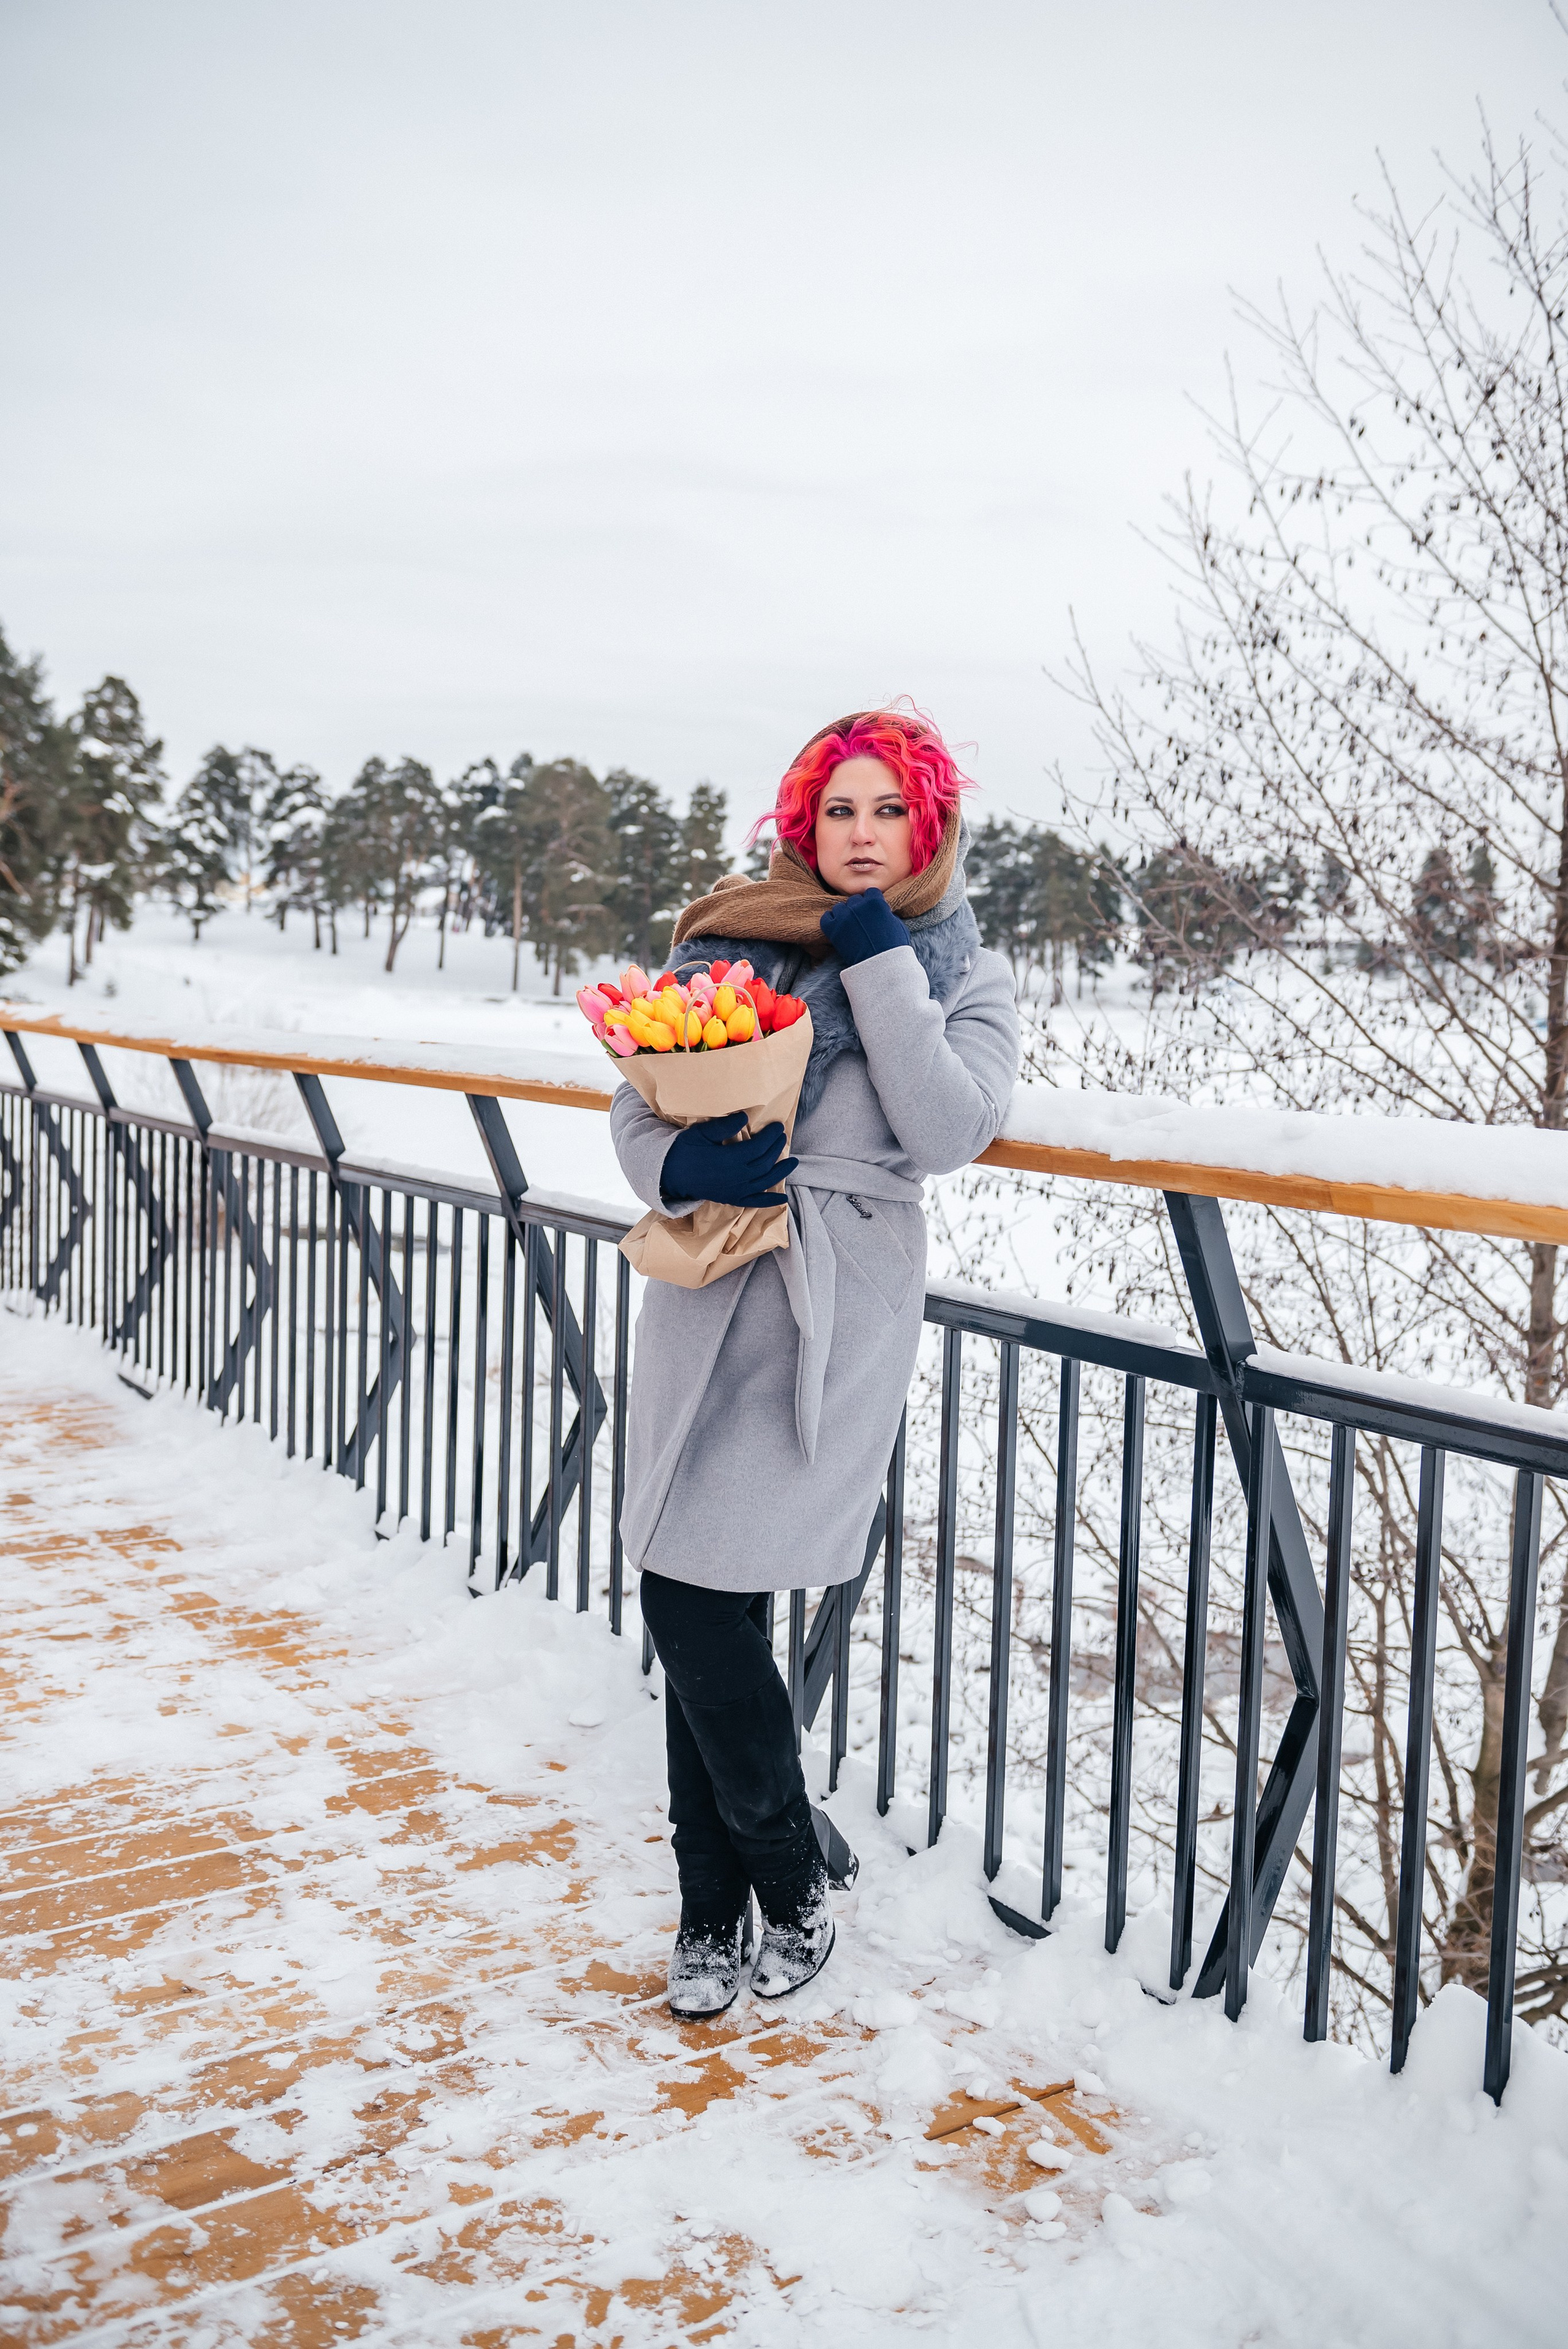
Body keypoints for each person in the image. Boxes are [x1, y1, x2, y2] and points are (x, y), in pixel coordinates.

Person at [609, 708, 1019, 2020]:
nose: (860, 834)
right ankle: (740, 1900)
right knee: (692, 1592)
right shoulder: (729, 935)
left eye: (886, 811)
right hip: (711, 1277)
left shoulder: (963, 970)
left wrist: (877, 961)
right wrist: (679, 1164)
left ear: (928, 824)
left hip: (834, 1301)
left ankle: (754, 1892)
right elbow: (634, 1097)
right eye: (838, 810)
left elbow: (948, 1126)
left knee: (707, 1596)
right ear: (803, 819)